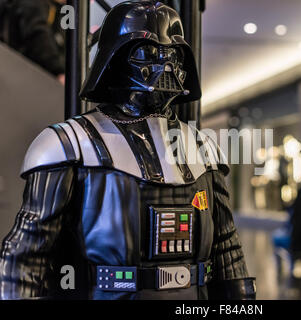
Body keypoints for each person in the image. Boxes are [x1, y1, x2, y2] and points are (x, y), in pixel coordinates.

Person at [0, 1, 255, 300]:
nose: (165, 66)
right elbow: (26, 257)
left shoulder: (204, 149)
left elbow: (226, 250)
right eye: (148, 53)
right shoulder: (67, 145)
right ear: (115, 59)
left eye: (173, 55)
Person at [0, 0, 66, 84]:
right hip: (27, 75)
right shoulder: (34, 4)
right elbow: (38, 35)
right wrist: (58, 71)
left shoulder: (54, 8)